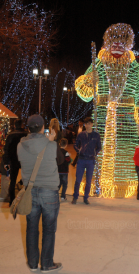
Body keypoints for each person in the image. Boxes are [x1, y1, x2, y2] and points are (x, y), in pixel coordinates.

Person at [17, 114, 64, 272]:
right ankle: (46, 264)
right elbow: (60, 160)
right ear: (43, 127)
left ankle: (32, 264)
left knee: (31, 228)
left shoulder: (20, 145)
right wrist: (51, 141)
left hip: (30, 192)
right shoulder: (50, 145)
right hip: (49, 191)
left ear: (28, 128)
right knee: (49, 229)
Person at [72, 117, 101, 205]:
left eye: (89, 124)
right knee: (78, 180)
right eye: (86, 124)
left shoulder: (96, 135)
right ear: (84, 125)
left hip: (90, 161)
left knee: (88, 181)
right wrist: (79, 151)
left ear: (92, 124)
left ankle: (86, 197)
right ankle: (75, 197)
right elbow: (75, 145)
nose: (88, 126)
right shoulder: (81, 135)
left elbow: (99, 147)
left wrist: (94, 153)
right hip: (81, 160)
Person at [3, 119, 27, 206]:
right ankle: (25, 199)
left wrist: (6, 161)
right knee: (26, 180)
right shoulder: (26, 135)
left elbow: (6, 149)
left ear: (14, 125)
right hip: (24, 160)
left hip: (13, 160)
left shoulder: (10, 135)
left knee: (12, 180)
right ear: (22, 125)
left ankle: (12, 201)